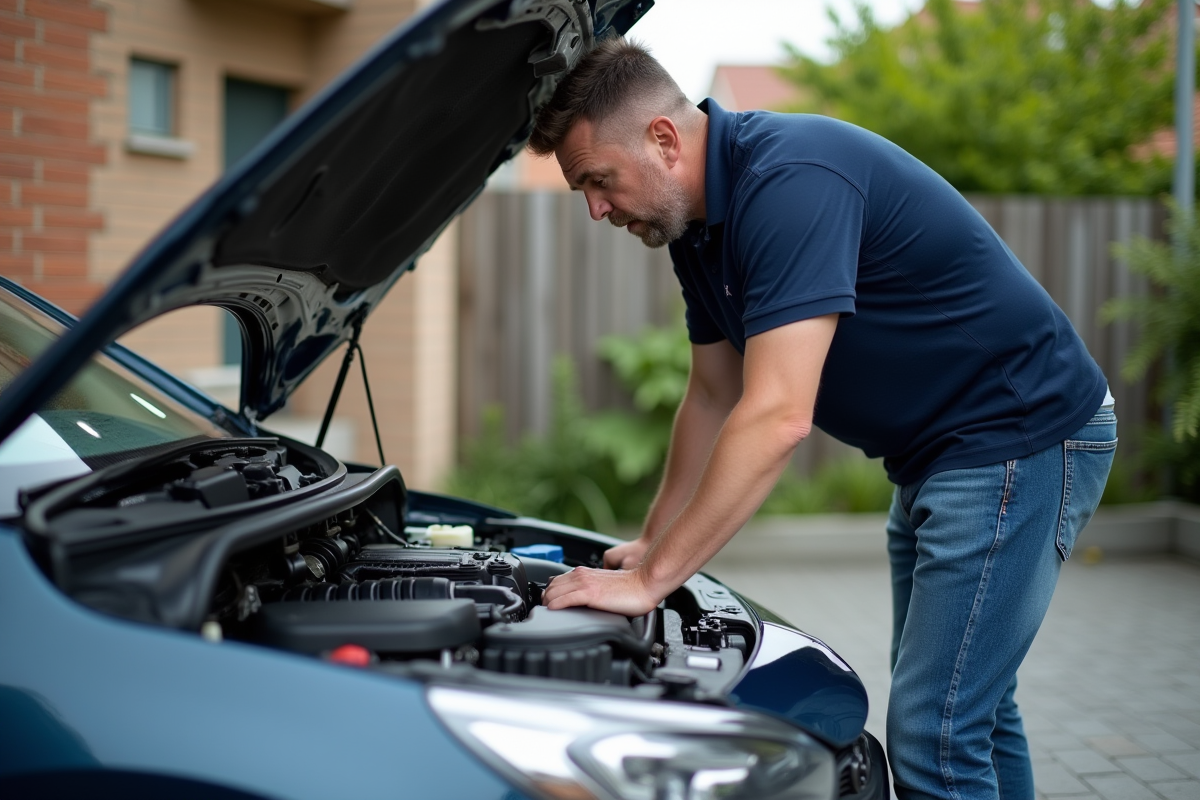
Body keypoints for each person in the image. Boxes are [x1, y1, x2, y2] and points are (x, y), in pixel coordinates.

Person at [531, 37, 1116, 800]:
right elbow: (711, 393)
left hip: (1018, 438)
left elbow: (776, 415)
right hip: (943, 456)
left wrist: (651, 583)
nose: (595, 208)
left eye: (598, 181)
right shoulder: (699, 232)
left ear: (664, 140)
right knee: (973, 711)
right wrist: (653, 541)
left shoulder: (789, 181)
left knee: (935, 732)